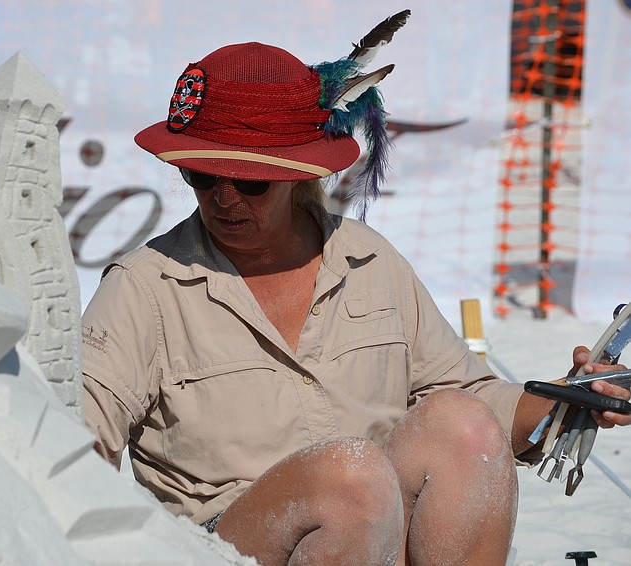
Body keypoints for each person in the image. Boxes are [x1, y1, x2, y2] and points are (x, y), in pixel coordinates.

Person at [80, 15, 631, 566]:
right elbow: (72, 445)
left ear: (300, 174)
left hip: (373, 523)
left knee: (461, 427)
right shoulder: (143, 287)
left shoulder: (370, 260)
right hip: (221, 548)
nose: (223, 196)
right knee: (352, 479)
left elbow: (473, 396)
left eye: (250, 180)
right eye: (202, 175)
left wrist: (572, 398)